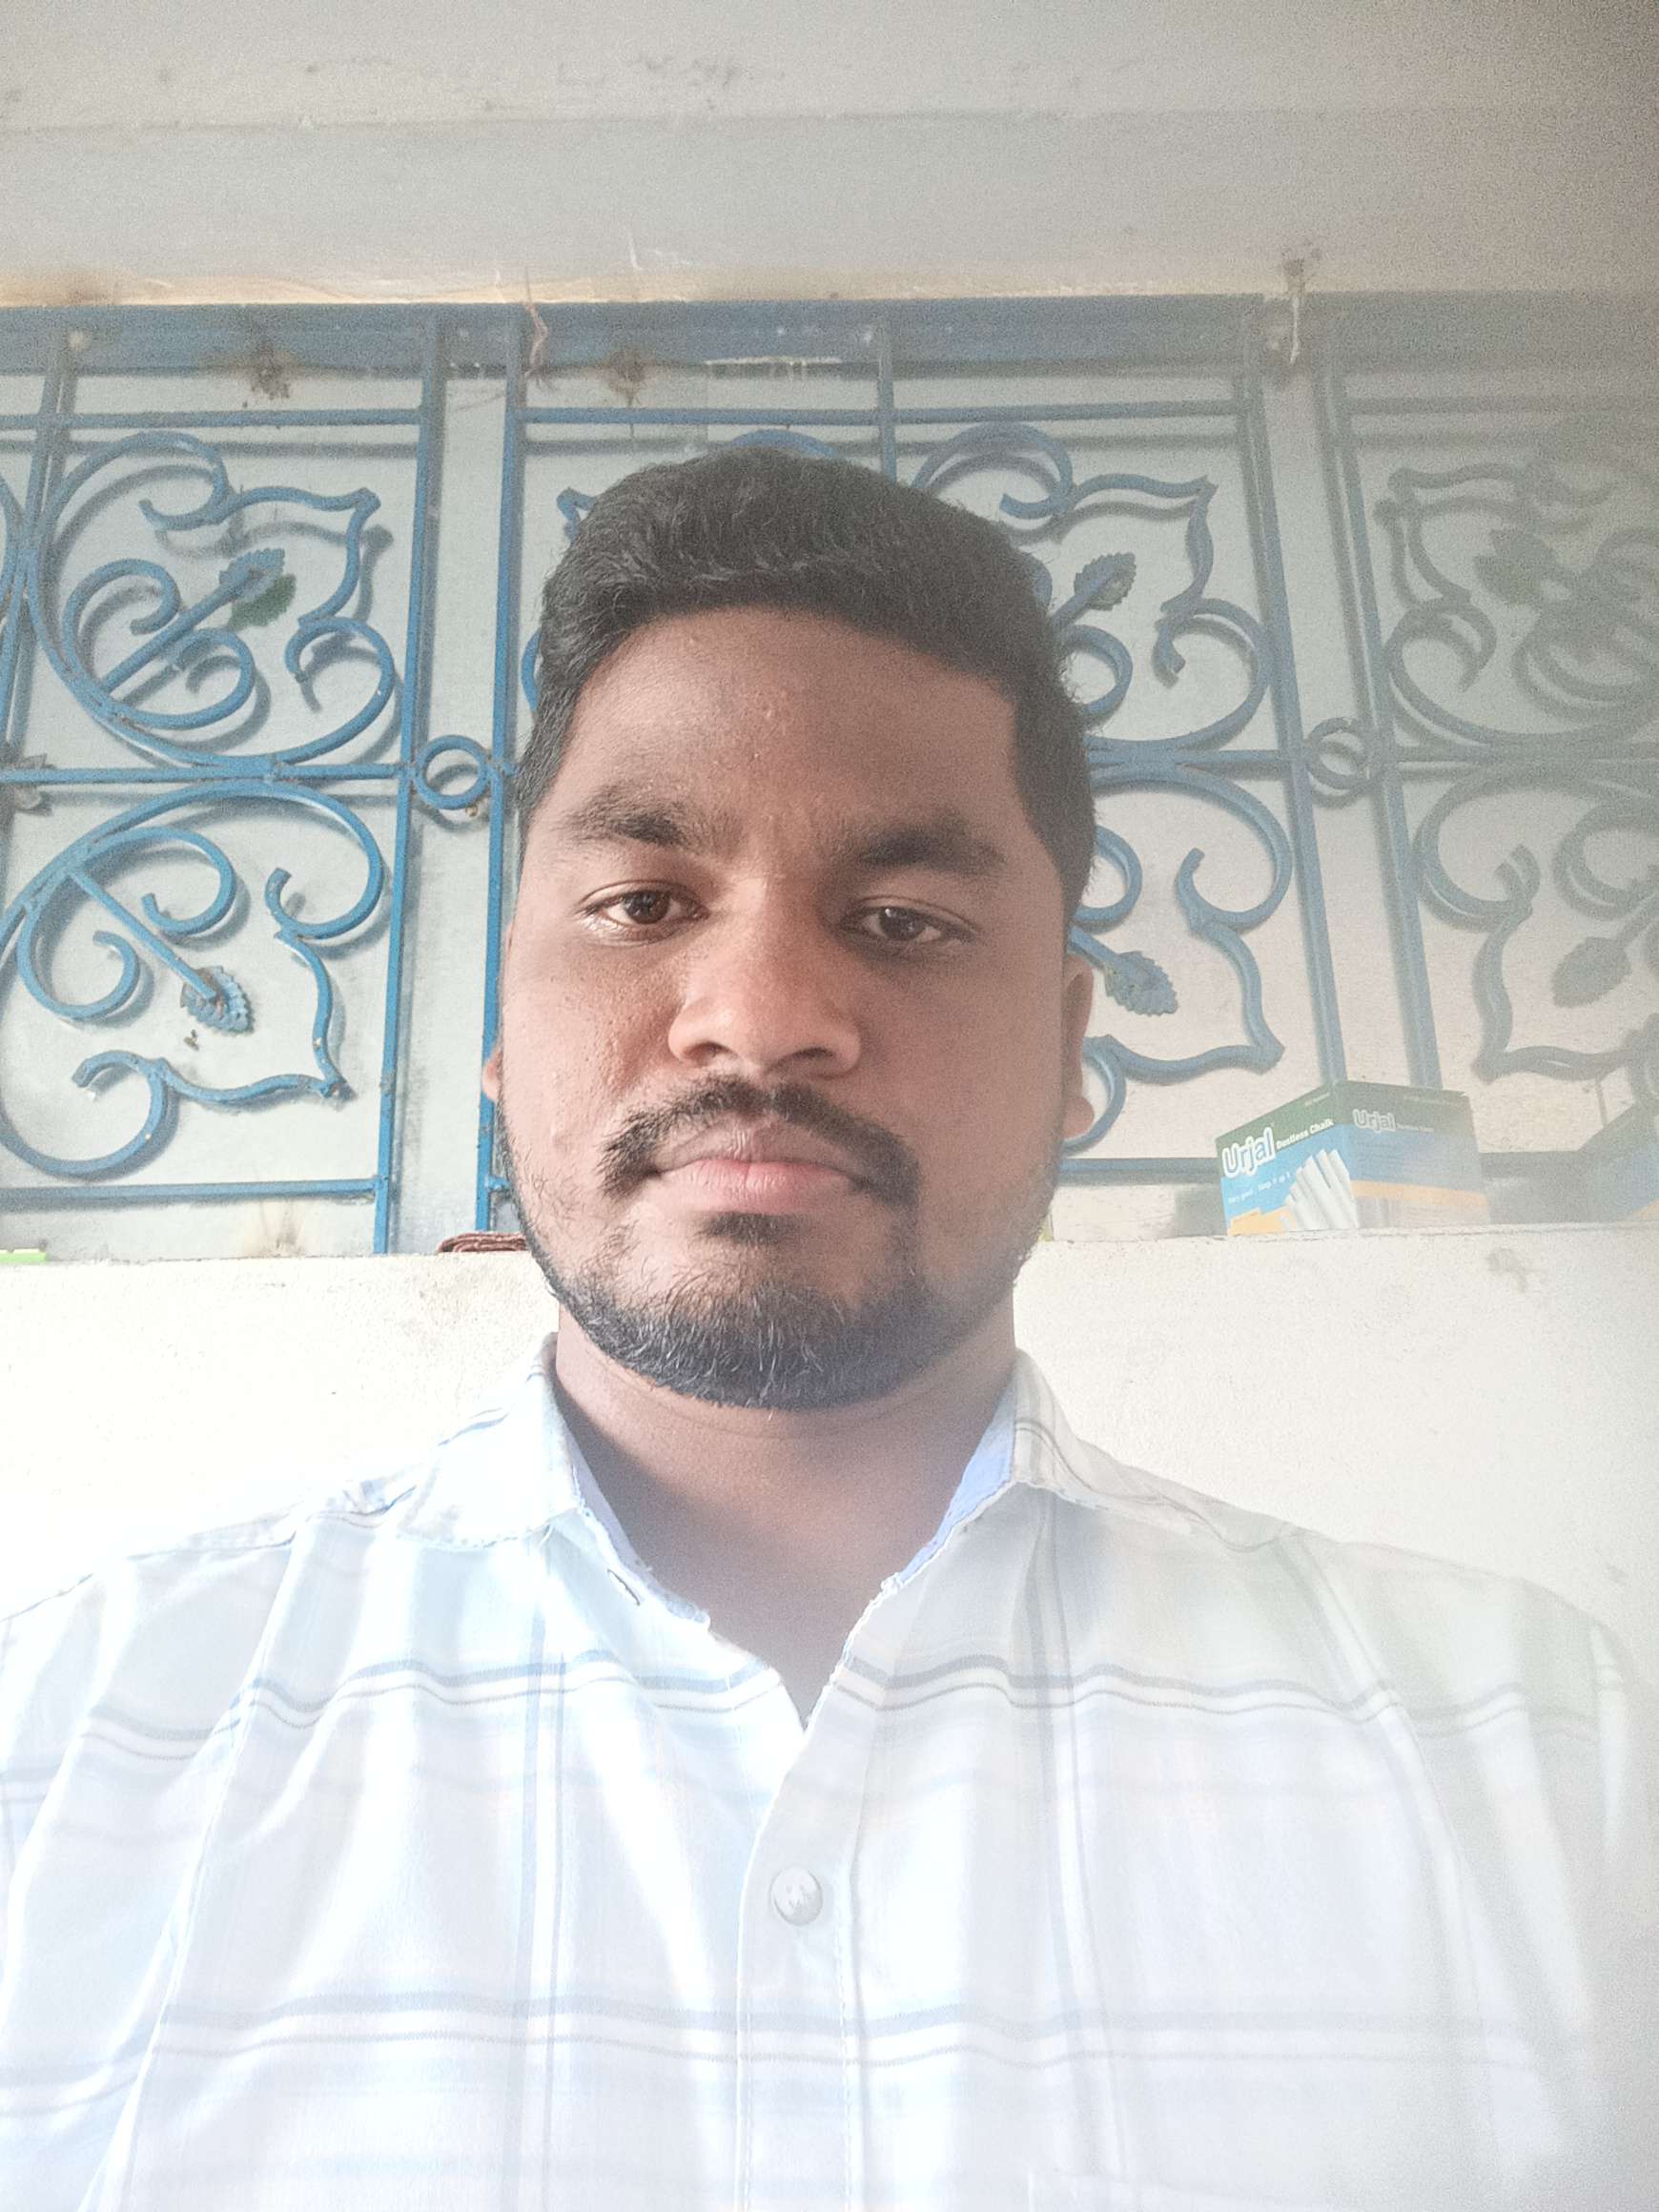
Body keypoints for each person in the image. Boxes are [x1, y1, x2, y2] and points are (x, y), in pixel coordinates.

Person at [0, 447, 1652, 2212]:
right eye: (643, 903)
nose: (763, 1015)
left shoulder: (1531, 1752)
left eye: (906, 920)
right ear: (500, 1030)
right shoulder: (75, 1735)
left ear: (1070, 1044)